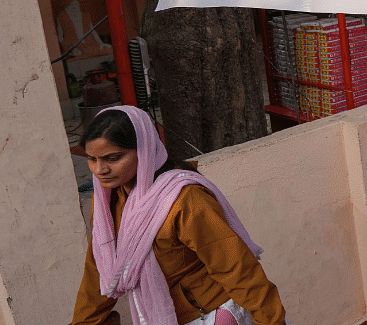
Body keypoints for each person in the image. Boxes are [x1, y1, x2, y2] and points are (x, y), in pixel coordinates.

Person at [70, 106, 286, 325]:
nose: (99, 170)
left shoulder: (183, 199)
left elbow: (237, 268)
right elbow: (98, 269)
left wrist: (271, 322)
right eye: (92, 159)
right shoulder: (107, 202)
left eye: (113, 158)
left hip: (211, 315)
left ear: (143, 150)